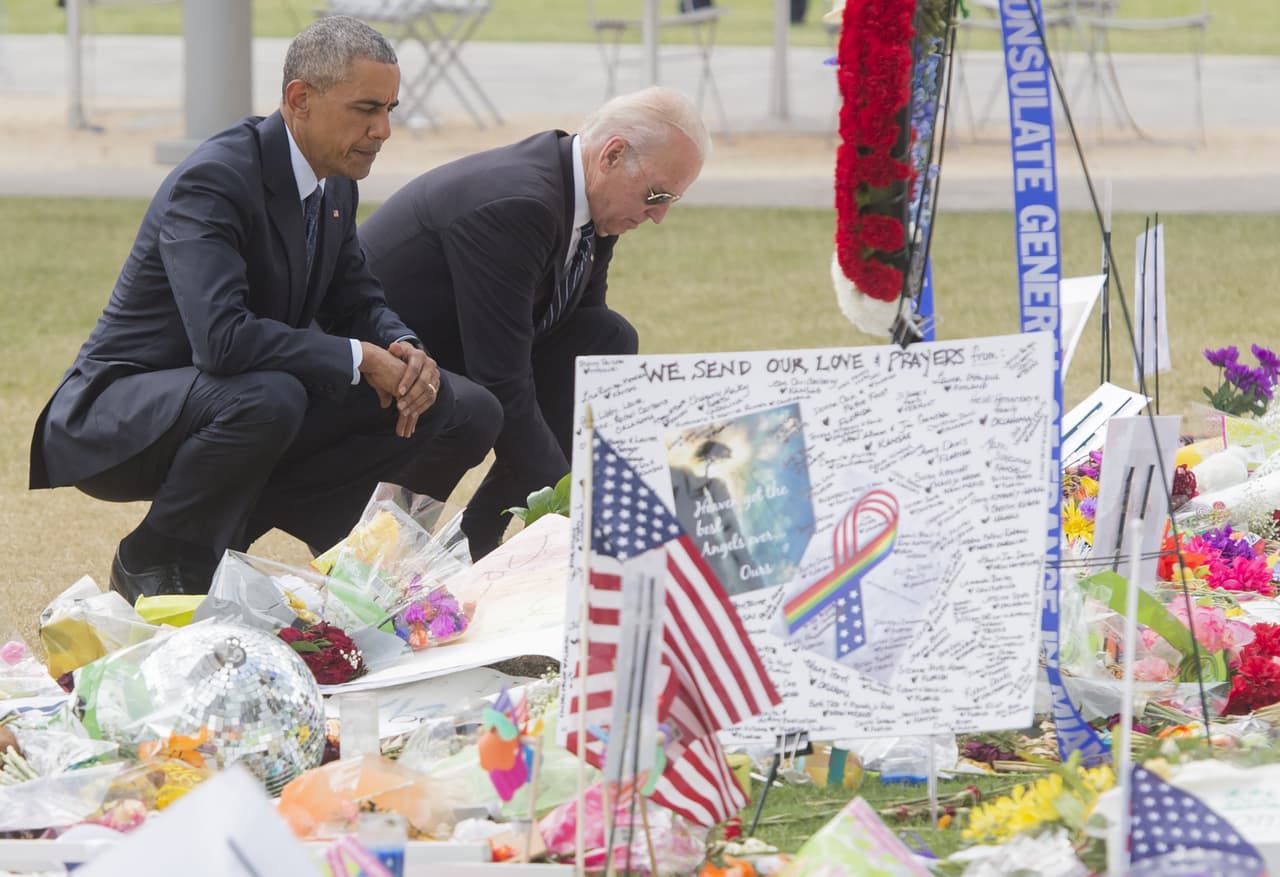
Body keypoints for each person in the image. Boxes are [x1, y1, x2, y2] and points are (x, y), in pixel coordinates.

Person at [28, 16, 501, 602]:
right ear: (299, 99)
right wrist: (360, 358)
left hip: (232, 401)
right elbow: (221, 341)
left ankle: (356, 563)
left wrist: (404, 348)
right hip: (121, 414)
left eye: (390, 110)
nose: (382, 130)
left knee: (463, 406)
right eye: (365, 109)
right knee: (272, 396)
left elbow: (357, 300)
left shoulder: (334, 180)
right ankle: (155, 555)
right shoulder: (216, 178)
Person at [359, 86, 709, 558]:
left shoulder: (589, 199)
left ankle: (478, 533)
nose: (661, 215)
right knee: (479, 405)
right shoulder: (520, 203)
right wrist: (572, 509)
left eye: (673, 200)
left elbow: (578, 335)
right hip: (377, 364)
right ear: (613, 154)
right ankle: (387, 555)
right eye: (657, 194)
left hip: (459, 353)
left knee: (606, 339)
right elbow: (501, 377)